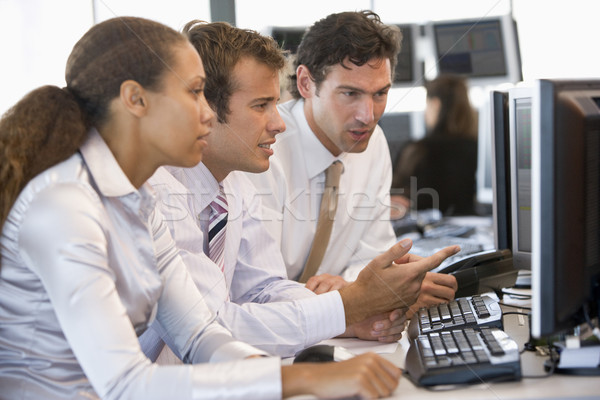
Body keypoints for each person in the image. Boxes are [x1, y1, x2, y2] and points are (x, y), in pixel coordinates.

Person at [0, 16, 414, 400]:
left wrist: (293, 375)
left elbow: (199, 335)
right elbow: (125, 382)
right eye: (195, 92)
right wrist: (304, 376)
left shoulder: (139, 200)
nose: (206, 112)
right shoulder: (64, 206)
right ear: (135, 100)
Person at [140, 20, 460, 362]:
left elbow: (264, 289)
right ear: (202, 109)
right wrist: (349, 306)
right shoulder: (159, 195)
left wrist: (351, 314)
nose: (278, 123)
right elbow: (211, 325)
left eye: (380, 93)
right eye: (261, 105)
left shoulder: (232, 183)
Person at [248, 11, 458, 309]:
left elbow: (372, 255)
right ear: (306, 83)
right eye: (350, 93)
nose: (368, 115)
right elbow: (254, 291)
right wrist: (348, 299)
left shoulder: (373, 145)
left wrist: (355, 288)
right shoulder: (263, 147)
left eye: (380, 94)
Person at [391, 74, 478, 215]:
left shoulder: (418, 149)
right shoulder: (478, 148)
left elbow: (395, 197)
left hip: (422, 226)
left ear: (435, 104)